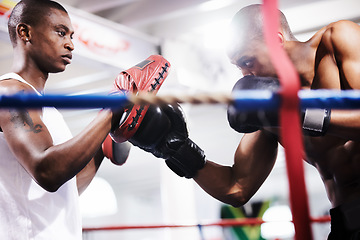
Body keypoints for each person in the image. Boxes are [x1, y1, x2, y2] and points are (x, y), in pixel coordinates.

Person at [123, 3, 360, 240]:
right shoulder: (270, 108)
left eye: (248, 61)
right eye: (239, 67)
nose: (246, 75)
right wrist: (176, 149)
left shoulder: (337, 40)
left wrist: (301, 114)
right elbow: (237, 188)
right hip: (344, 223)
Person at [0, 0, 130, 239]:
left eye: (71, 36)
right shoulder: (11, 93)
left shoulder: (44, 106)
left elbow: (64, 189)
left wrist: (101, 148)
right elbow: (47, 171)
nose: (70, 44)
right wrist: (110, 115)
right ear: (25, 32)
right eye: (60, 33)